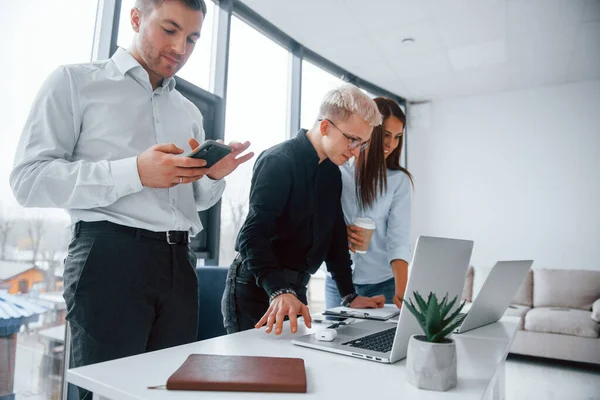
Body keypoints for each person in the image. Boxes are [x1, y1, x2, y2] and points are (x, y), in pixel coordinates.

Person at [10, 1, 252, 398]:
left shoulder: (188, 111)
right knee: (105, 393)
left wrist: (211, 177)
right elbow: (28, 180)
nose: (181, 48)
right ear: (136, 18)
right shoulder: (74, 82)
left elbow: (196, 202)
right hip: (109, 259)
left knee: (165, 391)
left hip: (179, 264)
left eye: (192, 38)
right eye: (170, 30)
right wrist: (135, 172)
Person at [222, 84, 386, 336]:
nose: (355, 152)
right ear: (325, 127)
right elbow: (252, 237)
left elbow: (335, 237)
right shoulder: (279, 161)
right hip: (257, 286)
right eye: (352, 140)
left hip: (294, 288)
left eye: (361, 144)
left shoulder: (331, 173)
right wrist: (278, 289)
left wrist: (348, 295)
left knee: (292, 367)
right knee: (254, 370)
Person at [325, 97, 413, 310]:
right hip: (338, 283)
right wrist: (339, 233)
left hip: (382, 284)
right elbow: (321, 221)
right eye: (385, 135)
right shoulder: (338, 170)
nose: (391, 144)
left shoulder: (398, 181)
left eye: (397, 137)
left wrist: (403, 288)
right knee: (333, 343)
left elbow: (398, 241)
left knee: (379, 342)